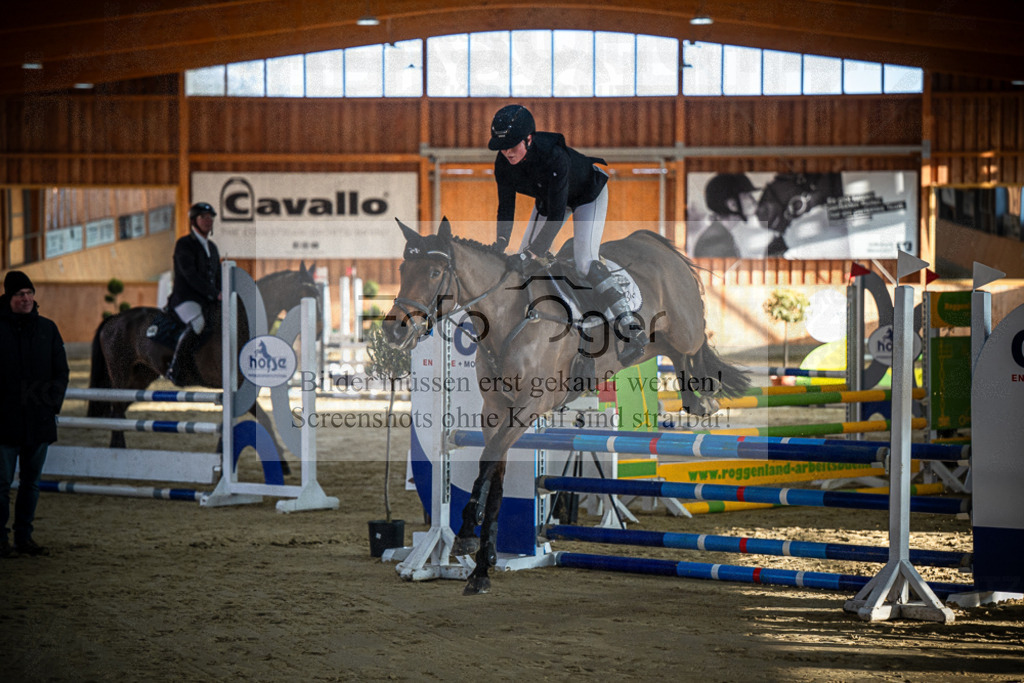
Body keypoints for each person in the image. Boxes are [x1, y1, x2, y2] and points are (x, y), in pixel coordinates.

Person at [488, 104, 647, 365]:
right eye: (502, 147)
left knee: (585, 261)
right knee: (521, 258)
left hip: (587, 194)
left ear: (529, 138)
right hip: (550, 199)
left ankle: (629, 325)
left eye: (512, 145)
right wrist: (500, 243)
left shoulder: (553, 156)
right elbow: (506, 206)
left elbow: (556, 215)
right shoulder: (503, 163)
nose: (506, 152)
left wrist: (532, 253)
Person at [0, 270, 69, 558]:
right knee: (1, 484)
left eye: (29, 293)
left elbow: (61, 371)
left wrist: (51, 404)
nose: (26, 298)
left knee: (32, 483)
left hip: (38, 419)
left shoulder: (48, 329)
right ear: (9, 298)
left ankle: (24, 537)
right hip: (4, 421)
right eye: (19, 294)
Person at [166, 202, 221, 386]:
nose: (208, 221)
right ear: (194, 221)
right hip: (186, 298)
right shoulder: (184, 244)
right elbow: (191, 276)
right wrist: (214, 293)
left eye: (210, 217)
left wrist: (223, 292)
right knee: (198, 324)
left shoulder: (212, 247)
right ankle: (176, 367)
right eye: (203, 217)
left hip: (207, 299)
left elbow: (218, 275)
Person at [692, 173, 764, 258]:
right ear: (732, 205)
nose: (753, 201)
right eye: (747, 195)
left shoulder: (722, 234)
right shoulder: (714, 243)